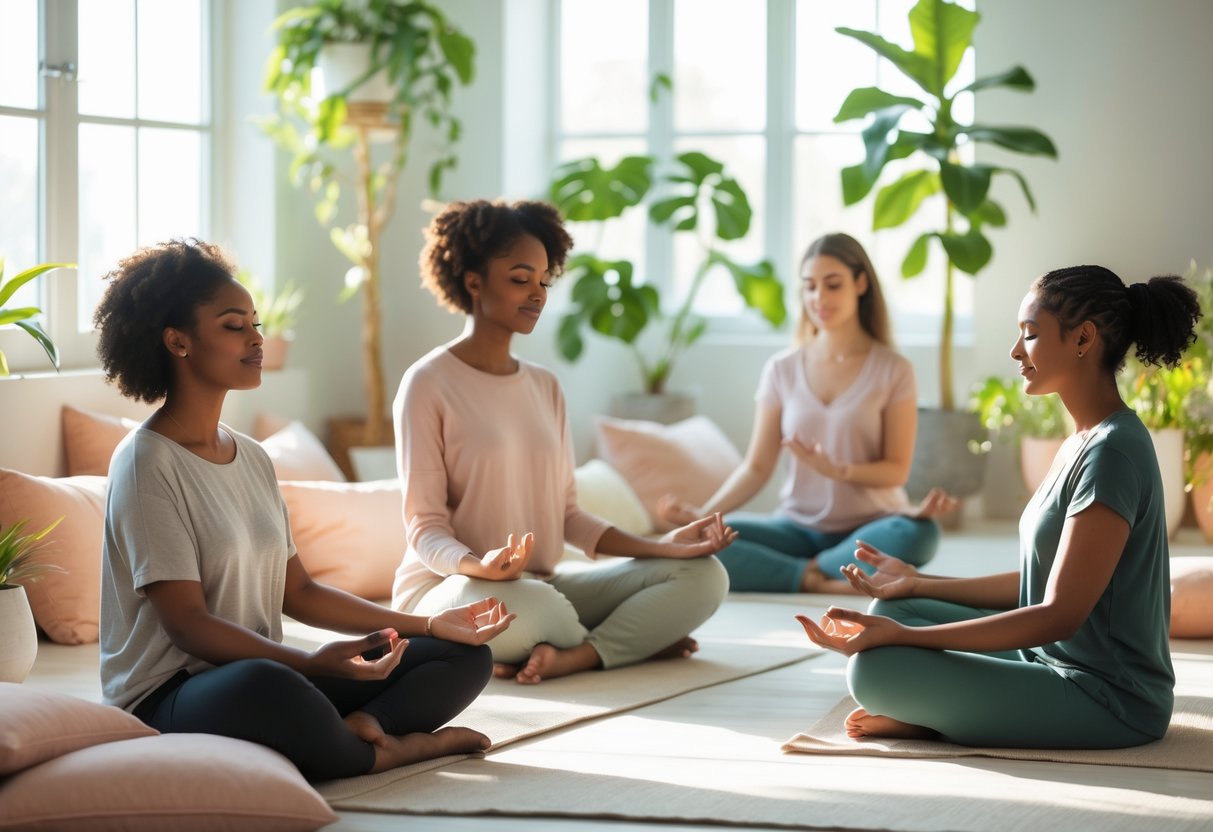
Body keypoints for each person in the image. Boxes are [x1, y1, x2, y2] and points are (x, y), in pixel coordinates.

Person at [95, 239, 515, 782]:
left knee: (459, 655)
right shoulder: (145, 463)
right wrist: (309, 663)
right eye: (232, 325)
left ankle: (363, 725)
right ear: (178, 341)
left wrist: (429, 622)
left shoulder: (251, 457)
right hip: (172, 697)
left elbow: (301, 593)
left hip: (270, 670)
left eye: (256, 323)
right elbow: (190, 626)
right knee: (268, 683)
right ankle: (392, 750)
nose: (256, 338)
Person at [798, 264, 1200, 748]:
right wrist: (917, 583)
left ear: (1083, 339)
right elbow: (1042, 582)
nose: (1015, 351)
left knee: (874, 669)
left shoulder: (1113, 452)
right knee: (895, 606)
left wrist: (898, 638)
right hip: (1046, 661)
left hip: (1108, 697)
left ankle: (940, 718)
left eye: (1029, 335)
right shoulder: (1080, 441)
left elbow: (1058, 614)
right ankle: (953, 710)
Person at [392, 198, 734, 685]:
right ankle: (628, 640)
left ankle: (583, 653)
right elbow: (424, 529)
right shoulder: (427, 383)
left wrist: (662, 549)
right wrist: (480, 566)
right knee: (529, 608)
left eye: (544, 281)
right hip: (454, 589)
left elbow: (568, 515)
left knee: (704, 577)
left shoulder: (545, 386)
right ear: (473, 281)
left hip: (542, 586)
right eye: (519, 278)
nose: (537, 294)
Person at [658, 233, 956, 594]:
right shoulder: (781, 369)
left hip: (872, 525)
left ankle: (801, 572)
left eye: (833, 285)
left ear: (861, 283)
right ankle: (819, 578)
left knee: (919, 534)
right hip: (795, 528)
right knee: (707, 541)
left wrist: (837, 471)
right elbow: (756, 466)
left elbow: (896, 469)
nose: (819, 298)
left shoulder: (894, 369)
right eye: (809, 287)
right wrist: (701, 517)